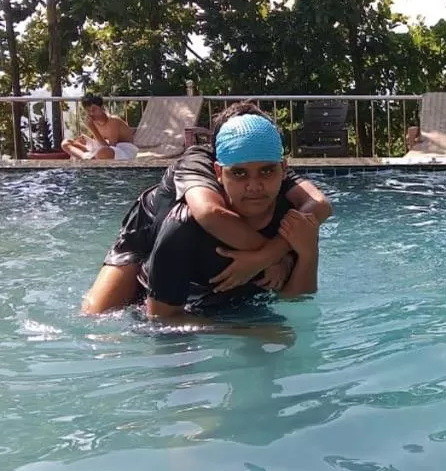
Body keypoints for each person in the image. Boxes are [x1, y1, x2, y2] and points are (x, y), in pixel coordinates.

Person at [82, 103, 332, 315]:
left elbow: (319, 205)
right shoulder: (198, 163)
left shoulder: (269, 168)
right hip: (147, 227)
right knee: (97, 316)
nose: (254, 185)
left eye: (266, 170)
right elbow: (210, 214)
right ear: (219, 168)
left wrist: (296, 251)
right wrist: (273, 256)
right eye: (240, 172)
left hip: (206, 236)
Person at [62, 94, 137, 161]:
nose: (91, 113)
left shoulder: (113, 121)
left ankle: (87, 158)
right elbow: (99, 142)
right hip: (103, 148)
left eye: (94, 109)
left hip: (123, 150)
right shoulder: (94, 122)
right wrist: (84, 141)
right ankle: (86, 157)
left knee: (103, 152)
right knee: (66, 143)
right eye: (88, 110)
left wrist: (92, 128)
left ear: (102, 108)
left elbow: (110, 147)